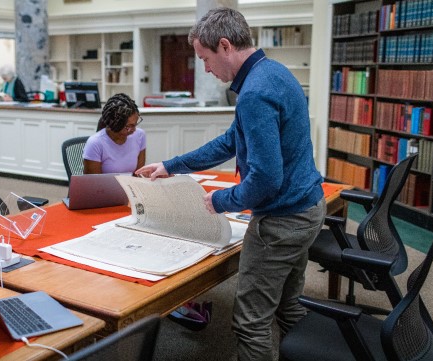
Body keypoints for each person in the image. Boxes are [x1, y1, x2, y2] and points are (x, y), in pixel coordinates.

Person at [136, 7, 325, 361]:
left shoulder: (254, 93)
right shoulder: (274, 73)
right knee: (288, 307)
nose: (206, 68)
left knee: (251, 323)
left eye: (205, 59)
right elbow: (229, 143)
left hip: (283, 220)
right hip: (308, 208)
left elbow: (267, 180)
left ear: (224, 46)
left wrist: (220, 201)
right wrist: (172, 165)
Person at [83, 93, 146, 175]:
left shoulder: (139, 135)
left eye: (135, 123)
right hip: (104, 187)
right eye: (129, 126)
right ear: (115, 124)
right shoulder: (95, 143)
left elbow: (138, 174)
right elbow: (93, 183)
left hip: (129, 186)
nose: (134, 130)